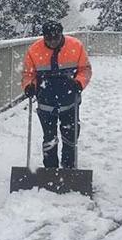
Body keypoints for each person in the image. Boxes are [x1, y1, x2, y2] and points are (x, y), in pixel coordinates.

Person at [21, 21, 92, 169]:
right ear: (44, 37)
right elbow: (28, 73)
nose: (53, 42)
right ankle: (50, 169)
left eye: (56, 38)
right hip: (46, 101)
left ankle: (68, 167)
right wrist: (29, 85)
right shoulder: (34, 50)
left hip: (70, 100)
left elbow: (85, 69)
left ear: (61, 34)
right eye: (49, 39)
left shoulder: (76, 46)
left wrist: (79, 83)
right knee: (49, 138)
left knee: (70, 136)